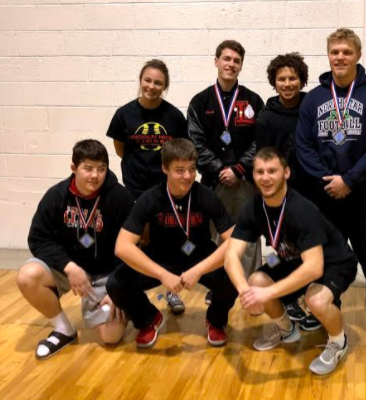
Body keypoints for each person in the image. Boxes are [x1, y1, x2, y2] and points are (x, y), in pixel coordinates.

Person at [295, 27, 366, 358]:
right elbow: (303, 146)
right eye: (335, 52)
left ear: (358, 55)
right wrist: (329, 180)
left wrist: (350, 180)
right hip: (326, 193)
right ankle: (330, 317)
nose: (340, 57)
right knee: (327, 261)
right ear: (328, 55)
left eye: (346, 52)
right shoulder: (314, 98)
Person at [225, 147, 357, 375]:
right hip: (294, 259)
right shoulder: (255, 207)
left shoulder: (302, 209)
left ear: (286, 173)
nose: (265, 178)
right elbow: (230, 256)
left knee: (315, 299)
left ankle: (338, 342)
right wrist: (245, 291)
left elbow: (314, 268)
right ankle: (287, 330)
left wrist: (267, 294)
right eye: (259, 172)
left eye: (272, 171)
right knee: (256, 280)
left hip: (335, 262)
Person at [106, 139, 238, 349]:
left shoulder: (206, 195)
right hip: (161, 257)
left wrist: (199, 270)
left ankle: (216, 320)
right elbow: (122, 246)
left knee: (234, 275)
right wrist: (162, 275)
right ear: (165, 168)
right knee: (116, 283)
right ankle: (148, 319)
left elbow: (235, 240)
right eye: (179, 170)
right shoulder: (149, 198)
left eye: (192, 169)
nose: (187, 176)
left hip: (199, 256)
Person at [17, 139, 133, 360]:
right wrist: (69, 267)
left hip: (106, 274)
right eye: (88, 168)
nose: (95, 175)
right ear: (73, 168)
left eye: (101, 169)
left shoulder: (120, 197)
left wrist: (118, 289)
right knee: (27, 276)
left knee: (111, 336)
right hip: (69, 268)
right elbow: (38, 239)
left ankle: (118, 305)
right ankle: (64, 330)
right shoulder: (56, 196)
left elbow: (132, 248)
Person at [106, 59, 188, 315]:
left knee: (169, 241)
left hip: (165, 190)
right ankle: (132, 291)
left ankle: (172, 293)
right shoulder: (124, 114)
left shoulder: (174, 116)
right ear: (141, 81)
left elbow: (180, 153)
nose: (152, 86)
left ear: (165, 87)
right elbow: (121, 150)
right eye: (148, 80)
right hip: (135, 189)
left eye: (158, 83)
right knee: (140, 241)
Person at [188, 40, 264, 279]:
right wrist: (221, 168)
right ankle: (217, 286)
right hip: (214, 181)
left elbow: (259, 140)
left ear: (241, 66)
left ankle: (250, 284)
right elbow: (195, 142)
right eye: (227, 59)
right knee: (214, 235)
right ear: (216, 61)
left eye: (236, 61)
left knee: (248, 234)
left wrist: (240, 168)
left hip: (246, 181)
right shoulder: (200, 102)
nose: (231, 64)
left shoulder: (253, 100)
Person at [255, 52, 317, 328]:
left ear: (301, 80)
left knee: (311, 250)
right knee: (284, 249)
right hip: (282, 194)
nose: (288, 83)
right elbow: (265, 157)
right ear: (274, 82)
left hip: (311, 189)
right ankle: (289, 298)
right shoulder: (266, 116)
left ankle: (311, 297)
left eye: (293, 78)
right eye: (282, 79)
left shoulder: (312, 107)